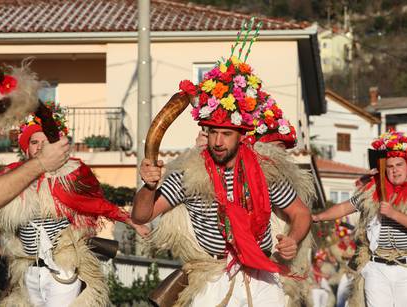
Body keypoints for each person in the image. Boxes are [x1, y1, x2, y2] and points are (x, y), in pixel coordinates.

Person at [133, 54, 312, 306]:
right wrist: (149, 186)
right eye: (213, 132)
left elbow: (301, 213)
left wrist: (292, 239)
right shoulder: (188, 173)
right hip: (212, 275)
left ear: (241, 135)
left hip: (262, 272)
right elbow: (142, 216)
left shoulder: (266, 171)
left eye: (226, 134)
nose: (218, 141)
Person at [0, 101, 140, 306]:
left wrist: (131, 220)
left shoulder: (70, 175)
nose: (40, 147)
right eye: (34, 142)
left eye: (45, 141)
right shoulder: (11, 177)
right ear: (26, 148)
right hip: (28, 271)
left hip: (61, 269)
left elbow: (95, 203)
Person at [312, 129, 407, 307]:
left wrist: (393, 214)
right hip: (376, 267)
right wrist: (317, 216)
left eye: (399, 165)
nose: (394, 171)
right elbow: (345, 206)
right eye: (390, 167)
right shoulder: (372, 190)